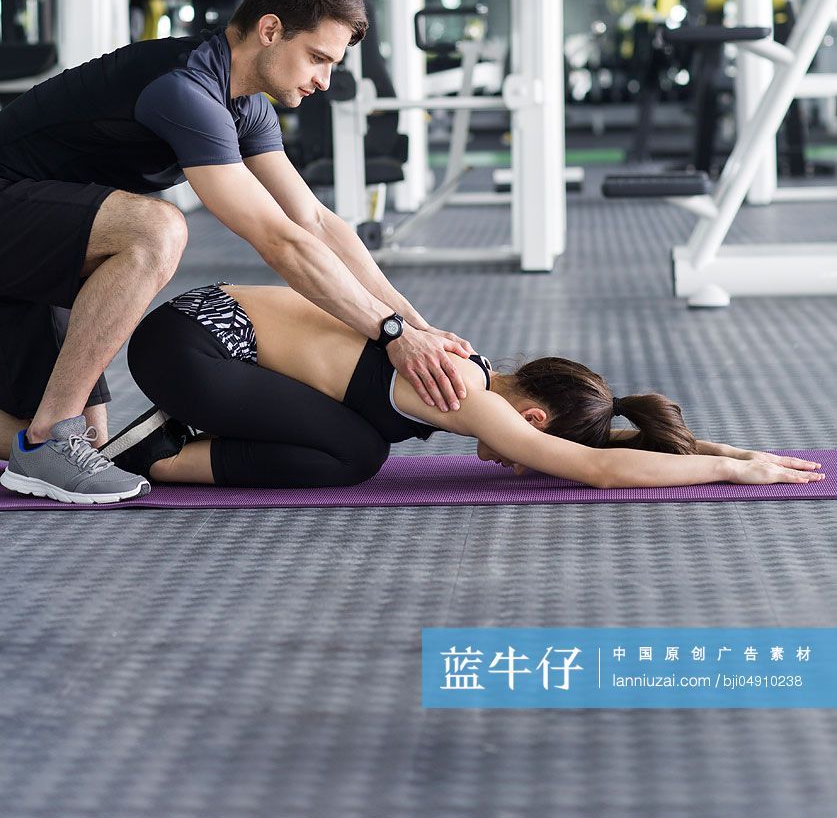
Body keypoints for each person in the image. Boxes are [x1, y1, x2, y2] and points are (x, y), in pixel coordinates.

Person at [0, 0, 473, 505]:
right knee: (157, 230)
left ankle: (45, 442)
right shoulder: (185, 89)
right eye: (318, 57)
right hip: (16, 215)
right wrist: (390, 335)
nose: (324, 80)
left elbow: (315, 221)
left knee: (95, 439)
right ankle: (48, 442)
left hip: (39, 241)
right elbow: (279, 241)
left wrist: (416, 327)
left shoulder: (245, 103)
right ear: (270, 30)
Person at [76, 280, 823, 494]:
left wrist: (713, 445)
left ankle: (168, 442)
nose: (516, 456)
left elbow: (612, 449)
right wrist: (732, 468)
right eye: (531, 444)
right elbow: (597, 469)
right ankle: (151, 456)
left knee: (356, 443)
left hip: (200, 333)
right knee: (353, 453)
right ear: (529, 414)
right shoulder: (465, 390)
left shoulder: (470, 367)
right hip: (191, 345)